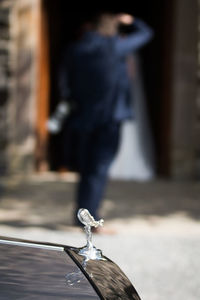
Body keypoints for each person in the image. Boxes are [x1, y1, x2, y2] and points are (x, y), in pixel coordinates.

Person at [58, 11, 153, 228]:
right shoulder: (115, 46)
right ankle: (90, 219)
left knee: (86, 170)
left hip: (82, 117)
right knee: (98, 170)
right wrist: (132, 20)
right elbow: (147, 33)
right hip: (109, 119)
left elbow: (64, 81)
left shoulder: (75, 49)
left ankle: (80, 215)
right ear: (112, 29)